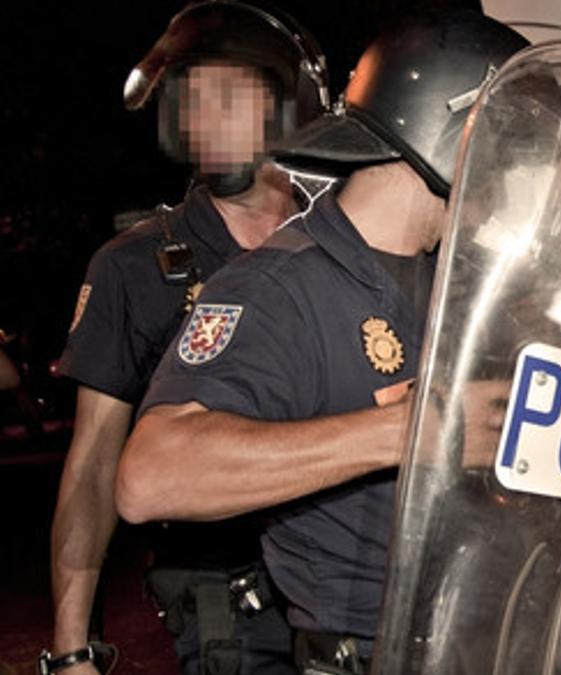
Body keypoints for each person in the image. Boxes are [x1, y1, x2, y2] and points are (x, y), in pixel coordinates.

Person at [114, 11, 528, 673]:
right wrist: (399, 432)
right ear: (452, 135)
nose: (517, 176)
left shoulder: (465, 282)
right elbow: (149, 475)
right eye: (511, 146)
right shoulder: (278, 285)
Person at [47, 2, 329, 674]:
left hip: (355, 594)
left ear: (290, 104)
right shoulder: (133, 266)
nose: (203, 121)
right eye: (190, 104)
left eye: (227, 96)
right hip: (231, 619)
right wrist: (68, 648)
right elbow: (91, 469)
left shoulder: (344, 245)